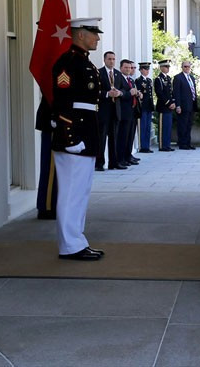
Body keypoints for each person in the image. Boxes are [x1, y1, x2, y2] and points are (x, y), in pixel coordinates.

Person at [51, 18, 106, 261]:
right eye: (93, 33)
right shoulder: (69, 62)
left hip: (86, 134)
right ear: (80, 34)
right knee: (71, 193)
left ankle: (76, 241)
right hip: (74, 136)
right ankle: (70, 245)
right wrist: (69, 137)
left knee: (80, 192)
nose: (97, 38)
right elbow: (62, 101)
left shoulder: (84, 62)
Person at [96, 51, 128, 171]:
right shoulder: (99, 73)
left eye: (114, 59)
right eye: (109, 59)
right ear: (104, 60)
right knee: (102, 138)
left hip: (116, 111)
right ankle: (99, 163)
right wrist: (107, 94)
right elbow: (95, 91)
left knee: (114, 137)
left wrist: (119, 93)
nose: (112, 61)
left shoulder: (118, 74)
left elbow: (125, 91)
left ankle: (113, 162)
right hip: (103, 111)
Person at [35, 97, 58, 219]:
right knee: (50, 168)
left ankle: (51, 205)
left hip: (55, 120)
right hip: (52, 122)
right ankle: (47, 207)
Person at [115, 59, 140, 168]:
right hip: (124, 112)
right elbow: (119, 93)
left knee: (130, 136)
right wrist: (129, 93)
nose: (128, 69)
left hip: (132, 111)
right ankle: (120, 159)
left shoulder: (131, 80)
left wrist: (138, 94)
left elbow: (133, 92)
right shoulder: (119, 79)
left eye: (130, 68)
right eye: (126, 67)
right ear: (121, 68)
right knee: (123, 137)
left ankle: (128, 156)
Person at [173, 60, 199, 150]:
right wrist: (178, 105)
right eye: (185, 66)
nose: (187, 68)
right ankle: (182, 143)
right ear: (182, 67)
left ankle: (188, 143)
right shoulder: (178, 78)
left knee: (189, 125)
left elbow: (193, 91)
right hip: (183, 105)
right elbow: (176, 93)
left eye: (188, 66)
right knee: (182, 125)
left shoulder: (191, 77)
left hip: (191, 105)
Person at [154, 59, 176, 152]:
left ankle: (167, 144)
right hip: (163, 106)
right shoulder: (158, 79)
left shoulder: (168, 78)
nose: (167, 68)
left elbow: (171, 92)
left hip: (170, 106)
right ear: (161, 67)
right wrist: (168, 103)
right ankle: (162, 145)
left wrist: (173, 102)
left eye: (168, 67)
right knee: (163, 127)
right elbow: (159, 93)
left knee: (168, 126)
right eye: (165, 67)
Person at [135, 62, 155, 153]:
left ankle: (147, 146)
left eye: (148, 69)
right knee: (143, 127)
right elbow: (139, 94)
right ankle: (142, 146)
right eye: (145, 69)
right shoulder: (138, 80)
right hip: (143, 106)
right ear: (141, 70)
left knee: (147, 127)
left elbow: (150, 94)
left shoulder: (149, 80)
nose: (147, 71)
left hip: (149, 106)